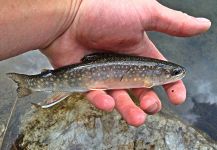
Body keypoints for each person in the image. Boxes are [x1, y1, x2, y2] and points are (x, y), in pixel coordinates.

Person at [0, 0, 211, 126]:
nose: (177, 74)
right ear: (156, 74)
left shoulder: (150, 73)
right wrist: (72, 14)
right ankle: (29, 83)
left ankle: (30, 83)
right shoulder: (149, 76)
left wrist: (72, 13)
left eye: (173, 73)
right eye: (173, 73)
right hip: (79, 72)